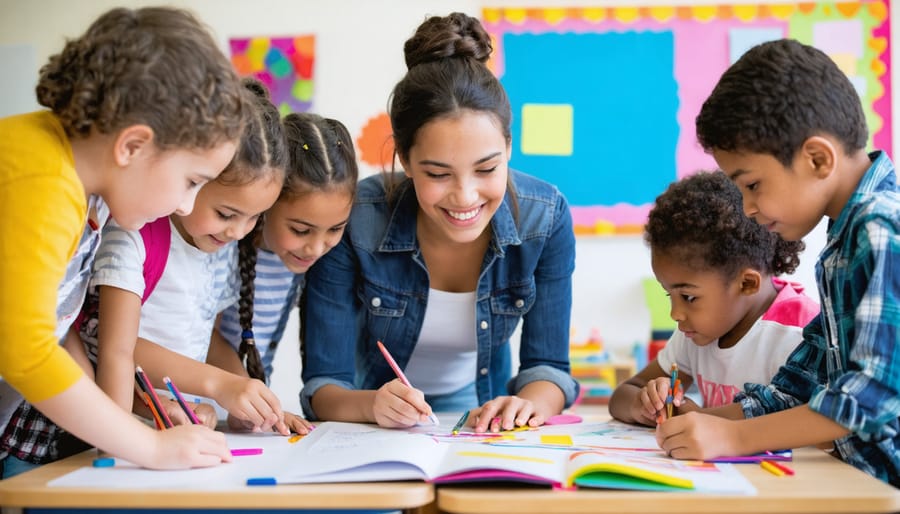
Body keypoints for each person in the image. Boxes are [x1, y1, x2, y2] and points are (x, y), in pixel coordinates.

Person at [299, 12, 578, 431]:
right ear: (406, 161)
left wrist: (528, 405)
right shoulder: (357, 217)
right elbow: (324, 386)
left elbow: (549, 367)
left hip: (478, 406)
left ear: (508, 147)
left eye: (486, 169)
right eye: (438, 173)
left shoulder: (546, 216)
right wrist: (373, 405)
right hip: (369, 412)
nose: (465, 196)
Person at [0, 6, 246, 478]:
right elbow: (27, 351)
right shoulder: (44, 180)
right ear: (132, 146)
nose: (184, 206)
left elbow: (53, 324)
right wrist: (149, 448)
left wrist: (121, 425)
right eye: (191, 181)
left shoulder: (81, 190)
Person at [656, 39, 900, 487]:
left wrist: (734, 437)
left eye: (751, 185)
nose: (747, 207)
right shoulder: (844, 240)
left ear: (816, 158)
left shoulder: (881, 227)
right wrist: (705, 423)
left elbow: (873, 397)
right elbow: (800, 385)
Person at [79, 79, 305, 435]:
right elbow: (116, 348)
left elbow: (207, 337)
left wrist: (253, 397)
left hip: (173, 422)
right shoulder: (136, 233)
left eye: (254, 218)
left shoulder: (221, 246)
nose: (238, 232)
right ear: (194, 179)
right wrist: (219, 385)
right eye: (227, 214)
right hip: (106, 422)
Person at [608, 171, 819, 427]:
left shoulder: (800, 333)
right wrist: (644, 403)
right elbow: (622, 395)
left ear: (746, 283)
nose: (675, 314)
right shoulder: (697, 332)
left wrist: (700, 419)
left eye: (688, 297)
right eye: (669, 295)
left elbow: (807, 422)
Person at [209, 113, 358, 389]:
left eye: (335, 229)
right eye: (301, 230)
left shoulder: (311, 261)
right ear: (269, 201)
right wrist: (245, 388)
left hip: (246, 414)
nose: (316, 248)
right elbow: (204, 334)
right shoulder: (223, 247)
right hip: (202, 402)